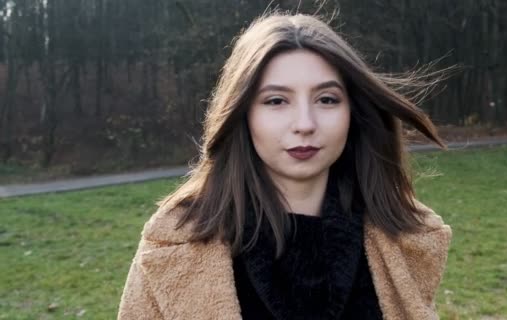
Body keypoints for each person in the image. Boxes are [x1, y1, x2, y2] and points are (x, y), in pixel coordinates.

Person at [118, 12, 451, 320]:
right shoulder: (175, 242)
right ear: (242, 113)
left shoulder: (404, 237)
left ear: (353, 112)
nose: (304, 124)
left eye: (327, 99)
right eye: (276, 101)